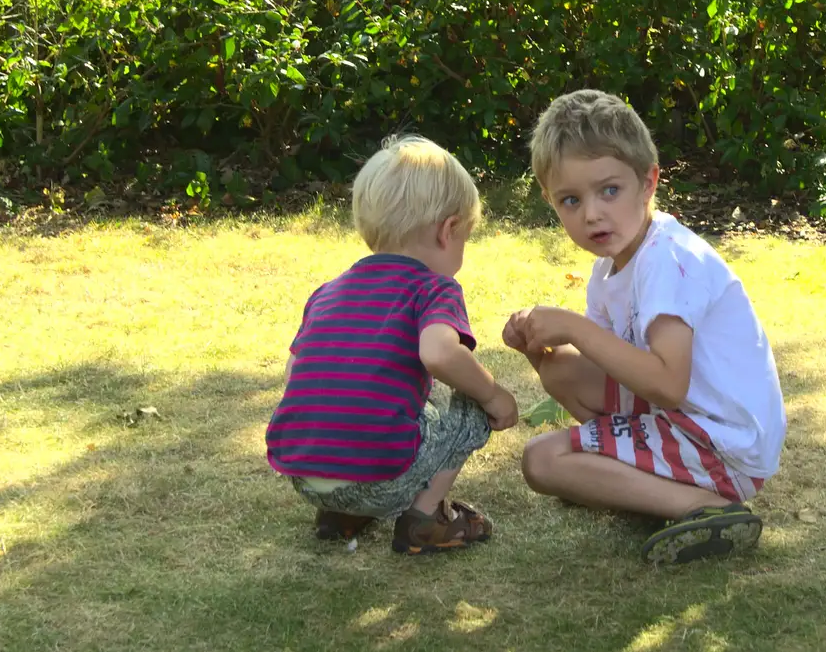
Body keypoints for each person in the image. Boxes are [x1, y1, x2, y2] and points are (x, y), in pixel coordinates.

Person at [503, 90, 787, 565]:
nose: (591, 213)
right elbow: (598, 374)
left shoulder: (667, 259)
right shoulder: (609, 271)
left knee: (542, 460)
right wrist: (539, 348)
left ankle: (708, 507)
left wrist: (573, 326)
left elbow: (667, 384)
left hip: (723, 444)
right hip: (688, 424)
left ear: (648, 182)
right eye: (571, 200)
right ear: (551, 202)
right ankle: (638, 484)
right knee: (566, 376)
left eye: (608, 190)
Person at [265, 134, 518, 554]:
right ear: (448, 230)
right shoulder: (434, 288)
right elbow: (438, 353)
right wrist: (493, 394)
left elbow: (295, 373)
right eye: (465, 240)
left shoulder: (328, 291)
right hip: (382, 479)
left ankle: (342, 514)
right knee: (471, 403)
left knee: (407, 406)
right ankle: (427, 518)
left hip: (304, 476)